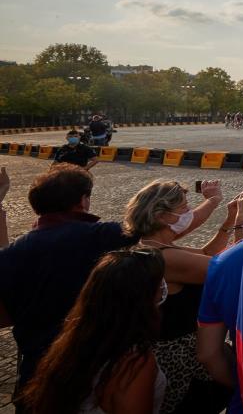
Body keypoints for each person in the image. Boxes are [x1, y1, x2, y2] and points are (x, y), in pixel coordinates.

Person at [0, 164, 138, 404]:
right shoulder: (98, 236)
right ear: (82, 201)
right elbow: (151, 226)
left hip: (35, 371)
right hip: (91, 366)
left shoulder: (14, 252)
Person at [124, 180, 240, 413]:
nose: (189, 213)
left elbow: (207, 254)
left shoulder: (149, 247)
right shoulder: (165, 259)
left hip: (174, 352)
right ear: (162, 216)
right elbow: (228, 270)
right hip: (184, 363)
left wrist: (229, 221)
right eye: (184, 208)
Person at [19, 249, 168, 414]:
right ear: (142, 299)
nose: (163, 287)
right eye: (159, 284)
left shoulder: (75, 339)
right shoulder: (134, 363)